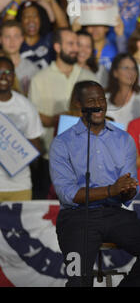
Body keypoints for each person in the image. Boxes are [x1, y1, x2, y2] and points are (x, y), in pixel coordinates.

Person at [49, 80, 140, 287]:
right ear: (78, 104)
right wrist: (112, 189)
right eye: (91, 100)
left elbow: (130, 187)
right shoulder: (62, 143)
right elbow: (67, 194)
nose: (99, 104)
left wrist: (127, 191)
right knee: (78, 282)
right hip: (77, 218)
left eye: (102, 99)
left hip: (114, 214)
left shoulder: (124, 139)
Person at [28, 28, 97, 199]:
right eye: (71, 44)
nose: (76, 48)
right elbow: (32, 116)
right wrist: (55, 119)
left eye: (77, 44)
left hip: (84, 157)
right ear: (57, 47)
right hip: (50, 156)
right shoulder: (39, 78)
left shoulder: (88, 77)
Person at [0, 56, 43, 201]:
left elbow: (36, 145)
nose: (3, 76)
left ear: (14, 76)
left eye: (8, 72)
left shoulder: (26, 106)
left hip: (20, 186)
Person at [13, 0, 69, 69]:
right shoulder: (14, 43)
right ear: (20, 21)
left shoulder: (49, 41)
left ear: (41, 20)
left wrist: (51, 0)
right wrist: (18, 0)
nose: (31, 20)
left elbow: (64, 29)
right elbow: (6, 27)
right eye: (26, 16)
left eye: (35, 15)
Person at [105, 53, 140, 129]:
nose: (130, 72)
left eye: (133, 68)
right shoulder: (104, 99)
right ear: (115, 72)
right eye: (125, 68)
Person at [0, 19, 39, 95]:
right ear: (0, 40)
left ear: (22, 39)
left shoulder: (32, 69)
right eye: (7, 37)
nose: (12, 41)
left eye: (16, 36)